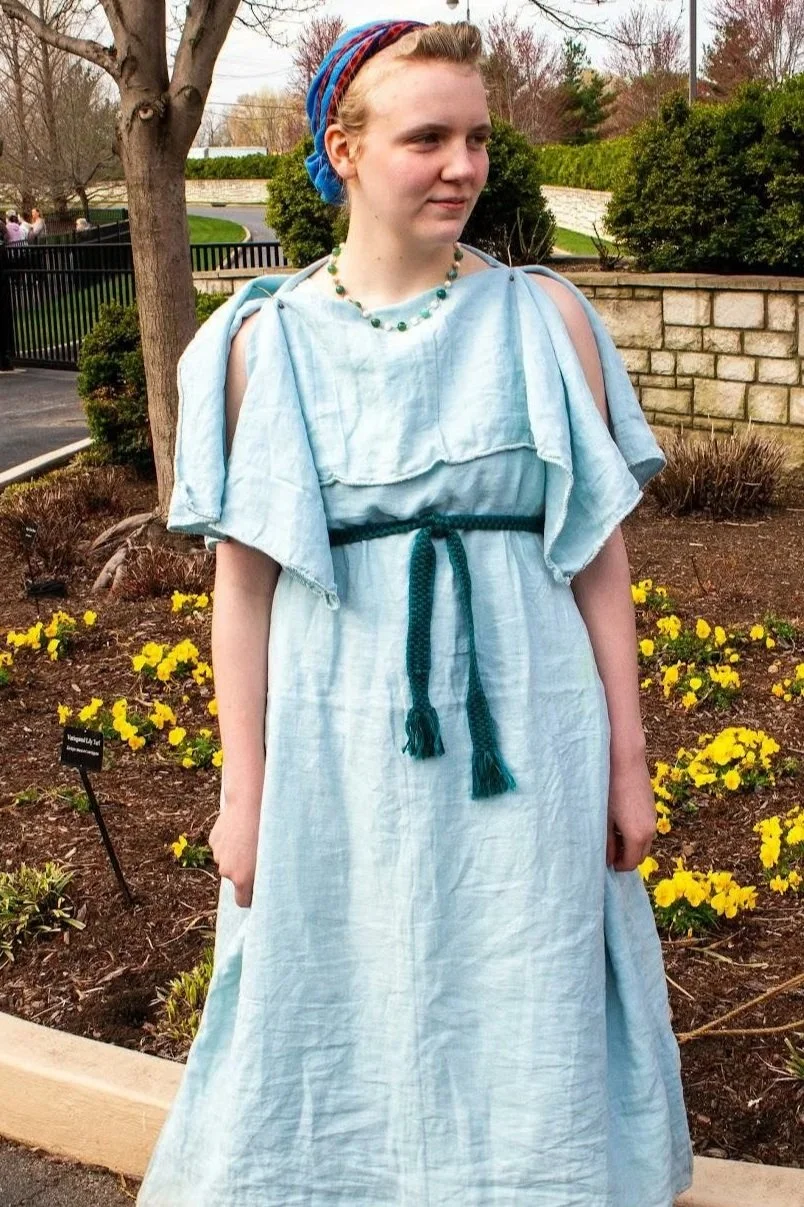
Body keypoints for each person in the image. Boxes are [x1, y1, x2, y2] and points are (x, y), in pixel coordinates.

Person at [137, 19, 694, 1206]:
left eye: (479, 138)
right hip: (339, 743)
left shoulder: (547, 323)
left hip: (531, 731)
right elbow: (244, 586)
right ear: (343, 148)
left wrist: (628, 760)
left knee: (521, 966)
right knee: (340, 971)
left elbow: (597, 555)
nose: (463, 165)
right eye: (428, 137)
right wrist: (244, 794)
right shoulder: (256, 347)